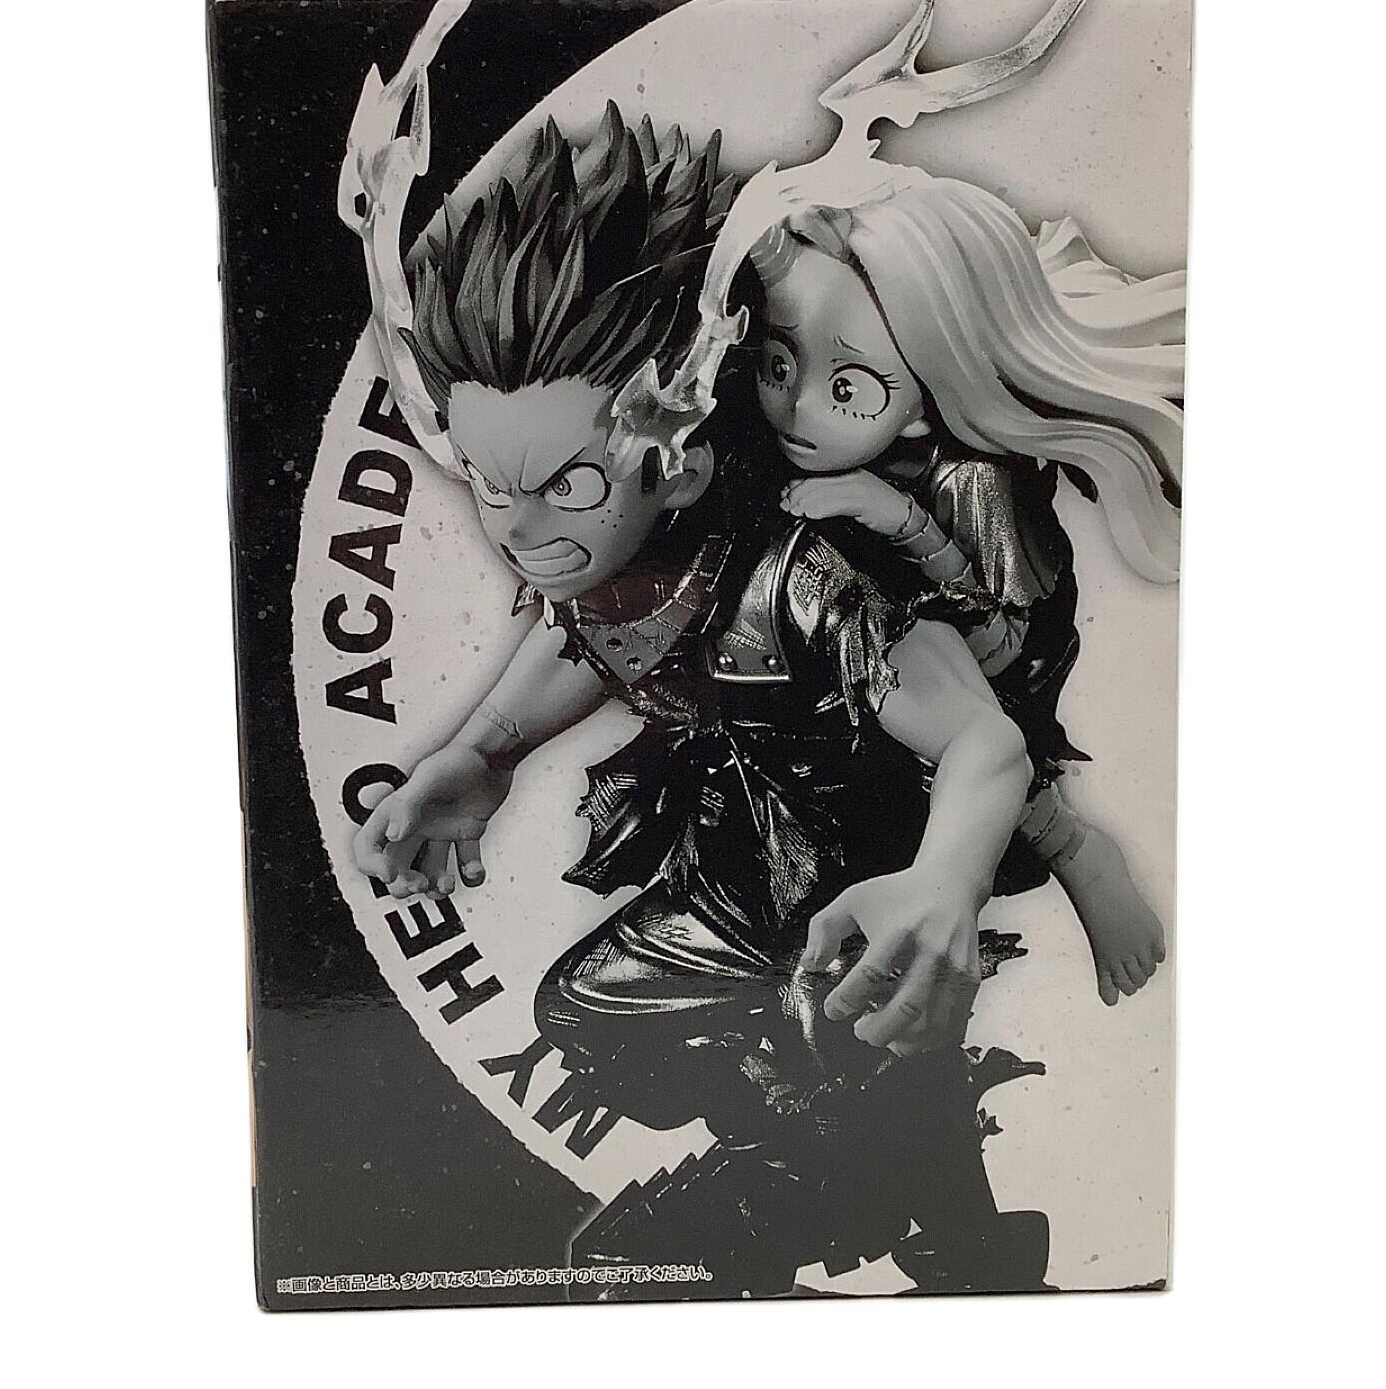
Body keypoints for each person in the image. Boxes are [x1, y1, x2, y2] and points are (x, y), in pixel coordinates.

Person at [351, 108, 1050, 1294]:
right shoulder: (617, 568)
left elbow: (985, 739)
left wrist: (942, 886)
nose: (516, 530)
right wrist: (483, 753)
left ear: (674, 459)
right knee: (591, 1014)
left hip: (854, 877)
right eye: (487, 483)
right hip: (737, 866)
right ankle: (871, 1176)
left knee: (843, 1030)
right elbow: (591, 644)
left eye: (566, 487)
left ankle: (872, 1188)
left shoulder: (803, 576)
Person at [744, 189, 1180, 1007]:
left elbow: (1006, 647)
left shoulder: (975, 482)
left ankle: (1077, 851)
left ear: (923, 401)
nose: (796, 408)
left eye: (848, 389)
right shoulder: (794, 447)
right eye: (777, 367)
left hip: (995, 641)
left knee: (947, 727)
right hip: (862, 629)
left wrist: (899, 519)